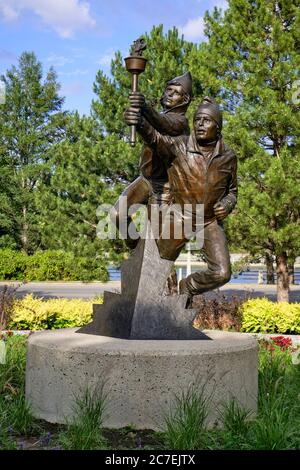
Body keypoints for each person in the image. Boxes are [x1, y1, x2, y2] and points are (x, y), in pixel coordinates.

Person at [124, 95, 237, 301]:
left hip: (209, 221)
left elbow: (233, 191)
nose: (200, 124)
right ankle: (147, 308)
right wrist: (139, 122)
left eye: (207, 120)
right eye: (197, 120)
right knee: (157, 266)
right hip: (180, 218)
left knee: (222, 273)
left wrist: (227, 204)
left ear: (218, 127)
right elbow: (155, 138)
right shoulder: (179, 146)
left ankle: (187, 286)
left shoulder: (228, 157)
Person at [112, 72, 192, 249]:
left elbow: (162, 124)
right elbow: (157, 120)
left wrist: (143, 111)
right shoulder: (160, 117)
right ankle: (136, 246)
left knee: (157, 244)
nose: (169, 94)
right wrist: (137, 115)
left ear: (185, 100)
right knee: (118, 214)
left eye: (175, 92)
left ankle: (159, 269)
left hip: (164, 187)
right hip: (145, 180)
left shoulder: (180, 123)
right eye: (168, 90)